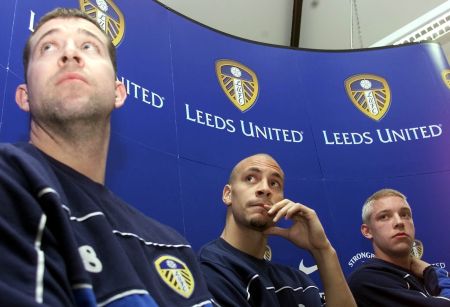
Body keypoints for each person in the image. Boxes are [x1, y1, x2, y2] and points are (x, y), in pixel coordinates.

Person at [0, 8, 213, 307]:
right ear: (24, 96)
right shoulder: (10, 182)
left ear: (118, 92)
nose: (70, 54)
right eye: (48, 47)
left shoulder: (172, 245)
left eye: (89, 46)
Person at [198, 153, 356, 307]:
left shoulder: (299, 282)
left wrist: (322, 250)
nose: (265, 189)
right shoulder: (208, 269)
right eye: (250, 178)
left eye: (274, 183)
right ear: (228, 194)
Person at [347, 188, 450, 306]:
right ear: (367, 231)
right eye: (384, 217)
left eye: (405, 215)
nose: (399, 222)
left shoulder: (420, 274)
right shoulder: (366, 280)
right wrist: (433, 271)